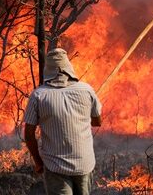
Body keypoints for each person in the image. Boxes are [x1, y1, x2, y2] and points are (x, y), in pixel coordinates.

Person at [23, 48, 102, 195]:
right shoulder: (86, 90)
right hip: (83, 164)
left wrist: (38, 161)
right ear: (69, 68)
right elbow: (97, 122)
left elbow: (28, 134)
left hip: (55, 166)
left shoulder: (39, 95)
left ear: (47, 70)